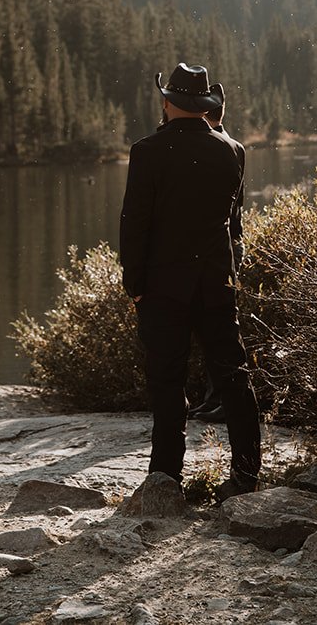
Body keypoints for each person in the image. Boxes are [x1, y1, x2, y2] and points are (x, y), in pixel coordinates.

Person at [119, 63, 262, 503]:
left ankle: (166, 477)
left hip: (163, 287)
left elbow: (134, 225)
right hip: (218, 282)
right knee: (233, 376)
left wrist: (135, 284)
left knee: (167, 381)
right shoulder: (233, 150)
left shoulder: (147, 151)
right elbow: (233, 227)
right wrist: (228, 276)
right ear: (205, 106)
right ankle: (245, 475)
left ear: (167, 103)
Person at [188, 82, 245, 424]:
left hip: (223, 248)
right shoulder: (232, 146)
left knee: (221, 329)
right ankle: (213, 397)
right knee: (214, 329)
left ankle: (222, 398)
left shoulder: (226, 148)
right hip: (228, 245)